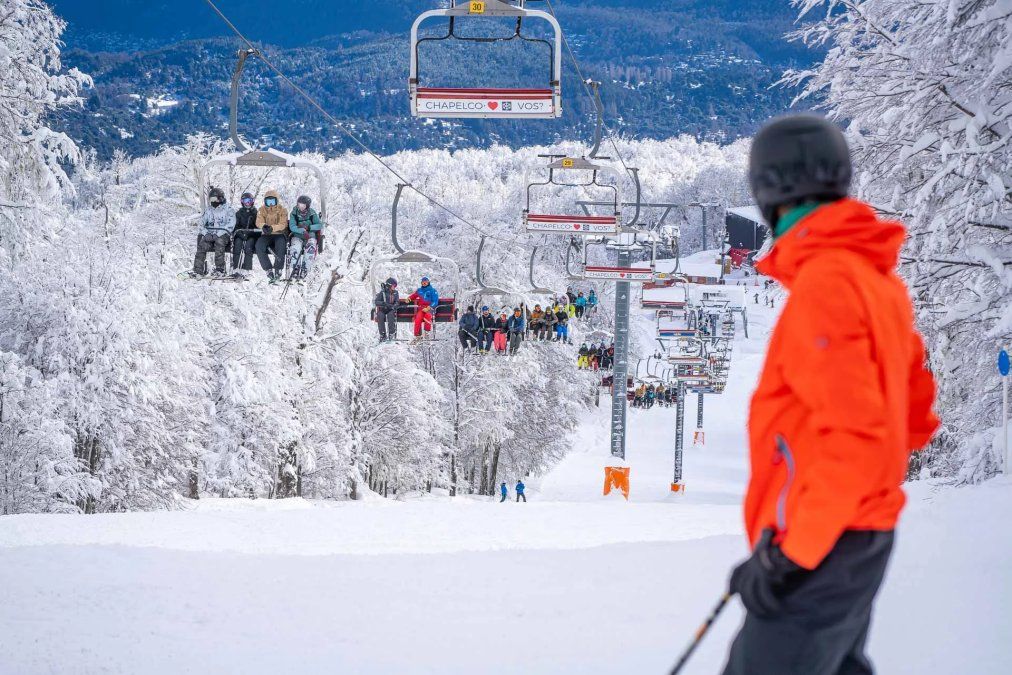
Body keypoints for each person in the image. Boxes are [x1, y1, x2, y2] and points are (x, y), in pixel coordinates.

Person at [721, 113, 939, 675]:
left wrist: (792, 552)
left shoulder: (828, 284)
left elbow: (857, 434)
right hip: (854, 535)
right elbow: (909, 414)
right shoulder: (875, 281)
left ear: (766, 191)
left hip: (825, 542)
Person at [192, 187, 232, 276]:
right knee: (202, 244)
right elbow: (201, 224)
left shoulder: (228, 210)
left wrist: (218, 234)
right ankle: (198, 270)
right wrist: (206, 233)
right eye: (211, 199)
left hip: (223, 234)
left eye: (214, 199)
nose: (212, 201)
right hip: (209, 235)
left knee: (219, 243)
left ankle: (220, 269)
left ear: (221, 198)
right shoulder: (208, 210)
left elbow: (230, 225)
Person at [255, 190, 289, 282]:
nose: (270, 204)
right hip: (266, 234)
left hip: (279, 234)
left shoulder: (282, 210)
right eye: (268, 202)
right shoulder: (262, 210)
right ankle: (268, 269)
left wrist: (272, 228)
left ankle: (278, 268)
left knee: (281, 245)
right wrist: (264, 226)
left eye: (272, 202)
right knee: (259, 245)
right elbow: (258, 221)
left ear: (276, 201)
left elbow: (283, 224)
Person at [288, 195, 323, 280]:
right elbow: (292, 226)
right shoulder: (294, 213)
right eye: (299, 204)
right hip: (298, 235)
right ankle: (295, 268)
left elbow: (319, 225)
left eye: (303, 205)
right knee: (295, 248)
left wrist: (310, 228)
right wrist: (302, 231)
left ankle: (305, 269)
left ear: (307, 206)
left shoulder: (312, 213)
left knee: (310, 248)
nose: (300, 207)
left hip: (310, 236)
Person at [230, 191, 258, 277]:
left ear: (252, 201)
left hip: (251, 235)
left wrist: (250, 233)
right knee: (238, 244)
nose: (247, 203)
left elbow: (258, 226)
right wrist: (240, 233)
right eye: (245, 201)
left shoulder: (255, 213)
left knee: (248, 246)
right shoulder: (239, 213)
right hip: (241, 234)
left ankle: (246, 268)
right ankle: (235, 268)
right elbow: (235, 226)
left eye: (249, 201)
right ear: (242, 202)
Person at [374, 277, 399, 343]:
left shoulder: (395, 293)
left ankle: (391, 334)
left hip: (391, 309)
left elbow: (397, 301)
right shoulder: (383, 293)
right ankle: (383, 335)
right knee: (380, 315)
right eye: (394, 285)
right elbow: (376, 302)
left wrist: (394, 306)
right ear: (389, 285)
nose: (395, 287)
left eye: (395, 286)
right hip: (383, 309)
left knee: (390, 315)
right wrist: (383, 303)